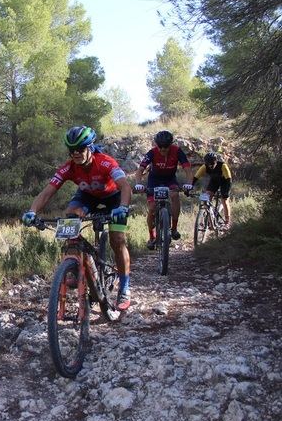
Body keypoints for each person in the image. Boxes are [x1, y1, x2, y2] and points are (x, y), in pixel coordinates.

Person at [21, 126, 133, 310]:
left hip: (113, 198)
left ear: (90, 147)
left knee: (118, 240)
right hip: (87, 196)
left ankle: (124, 288)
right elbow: (47, 193)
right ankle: (75, 262)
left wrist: (123, 207)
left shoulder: (105, 162)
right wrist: (32, 211)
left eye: (80, 149)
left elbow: (125, 187)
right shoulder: (68, 168)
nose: (76, 153)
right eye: (71, 150)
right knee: (70, 216)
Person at [133, 130, 194, 249]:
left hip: (170, 179)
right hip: (154, 180)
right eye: (160, 147)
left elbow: (187, 169)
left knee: (175, 196)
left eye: (165, 147)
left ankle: (174, 228)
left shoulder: (177, 151)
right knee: (151, 208)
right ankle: (152, 237)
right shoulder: (152, 152)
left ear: (170, 145)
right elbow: (140, 170)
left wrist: (189, 183)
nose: (162, 150)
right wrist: (138, 184)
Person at [191, 152, 232, 227]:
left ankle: (227, 222)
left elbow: (228, 179)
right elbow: (195, 177)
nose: (210, 166)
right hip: (214, 182)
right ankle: (209, 221)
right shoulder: (204, 166)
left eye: (212, 164)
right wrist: (190, 187)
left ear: (216, 161)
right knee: (206, 198)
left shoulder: (223, 166)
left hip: (224, 182)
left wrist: (226, 192)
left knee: (224, 200)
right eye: (208, 164)